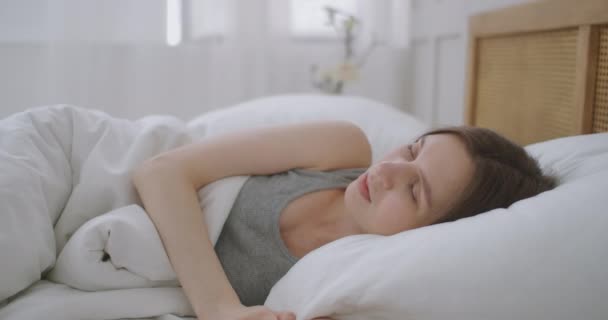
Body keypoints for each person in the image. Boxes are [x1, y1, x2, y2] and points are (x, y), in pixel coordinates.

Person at [132, 121, 556, 320]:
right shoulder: (341, 147)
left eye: (415, 191)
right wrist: (220, 308)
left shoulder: (348, 287)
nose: (388, 171)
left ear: (437, 234)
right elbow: (160, 170)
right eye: (411, 150)